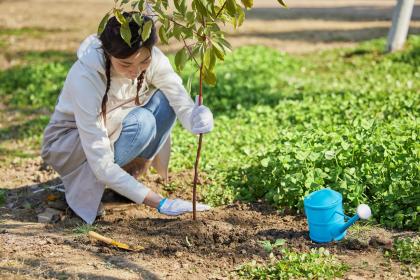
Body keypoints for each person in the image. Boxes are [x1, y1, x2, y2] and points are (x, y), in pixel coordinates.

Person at [41, 12, 213, 224]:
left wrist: (195, 118)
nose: (135, 71)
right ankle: (113, 184)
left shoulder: (152, 60)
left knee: (165, 100)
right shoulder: (86, 76)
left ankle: (127, 182)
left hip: (116, 124)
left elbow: (179, 98)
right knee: (143, 122)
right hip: (71, 142)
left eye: (144, 61)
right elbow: (101, 162)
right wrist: (160, 203)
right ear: (108, 53)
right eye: (125, 64)